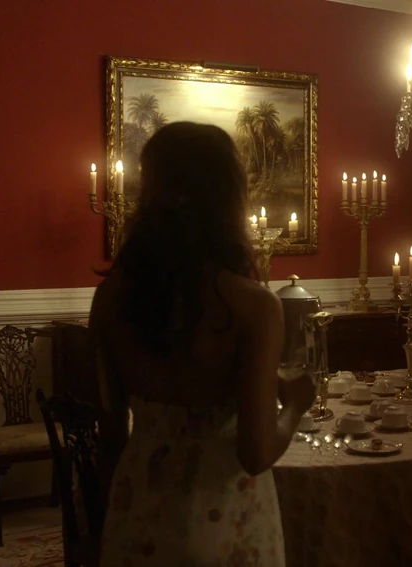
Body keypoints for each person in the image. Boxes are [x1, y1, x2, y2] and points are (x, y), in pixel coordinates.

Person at [90, 122, 315, 565]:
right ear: (228, 198)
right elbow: (256, 455)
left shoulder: (113, 295)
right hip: (224, 522)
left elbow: (111, 435)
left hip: (136, 513)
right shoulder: (254, 306)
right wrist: (295, 406)